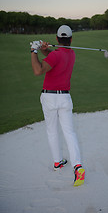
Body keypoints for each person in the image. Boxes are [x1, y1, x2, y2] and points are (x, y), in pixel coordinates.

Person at [30, 25, 85, 186]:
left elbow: (38, 70)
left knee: (52, 131)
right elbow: (54, 58)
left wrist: (34, 51)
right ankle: (77, 166)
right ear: (71, 39)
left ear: (56, 39)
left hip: (49, 97)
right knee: (69, 132)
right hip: (65, 98)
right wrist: (44, 50)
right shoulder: (71, 53)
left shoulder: (56, 56)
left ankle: (57, 162)